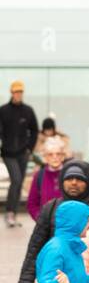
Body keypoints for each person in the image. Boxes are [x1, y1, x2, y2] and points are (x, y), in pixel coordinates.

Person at [18, 161, 89, 283]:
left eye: (79, 179)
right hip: (53, 281)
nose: (73, 183)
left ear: (88, 182)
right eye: (69, 179)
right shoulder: (51, 208)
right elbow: (35, 247)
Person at [2, 80, 40, 227]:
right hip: (8, 153)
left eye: (20, 92)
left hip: (23, 153)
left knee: (18, 183)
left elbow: (35, 130)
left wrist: (29, 148)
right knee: (16, 180)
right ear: (11, 93)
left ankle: (13, 214)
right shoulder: (3, 110)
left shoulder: (28, 111)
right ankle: (10, 212)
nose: (18, 94)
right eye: (16, 92)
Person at [24, 134, 66, 222]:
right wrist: (40, 219)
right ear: (45, 157)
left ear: (63, 156)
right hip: (46, 227)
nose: (55, 157)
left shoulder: (69, 173)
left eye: (58, 154)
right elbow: (31, 203)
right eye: (50, 154)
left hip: (67, 225)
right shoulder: (39, 175)